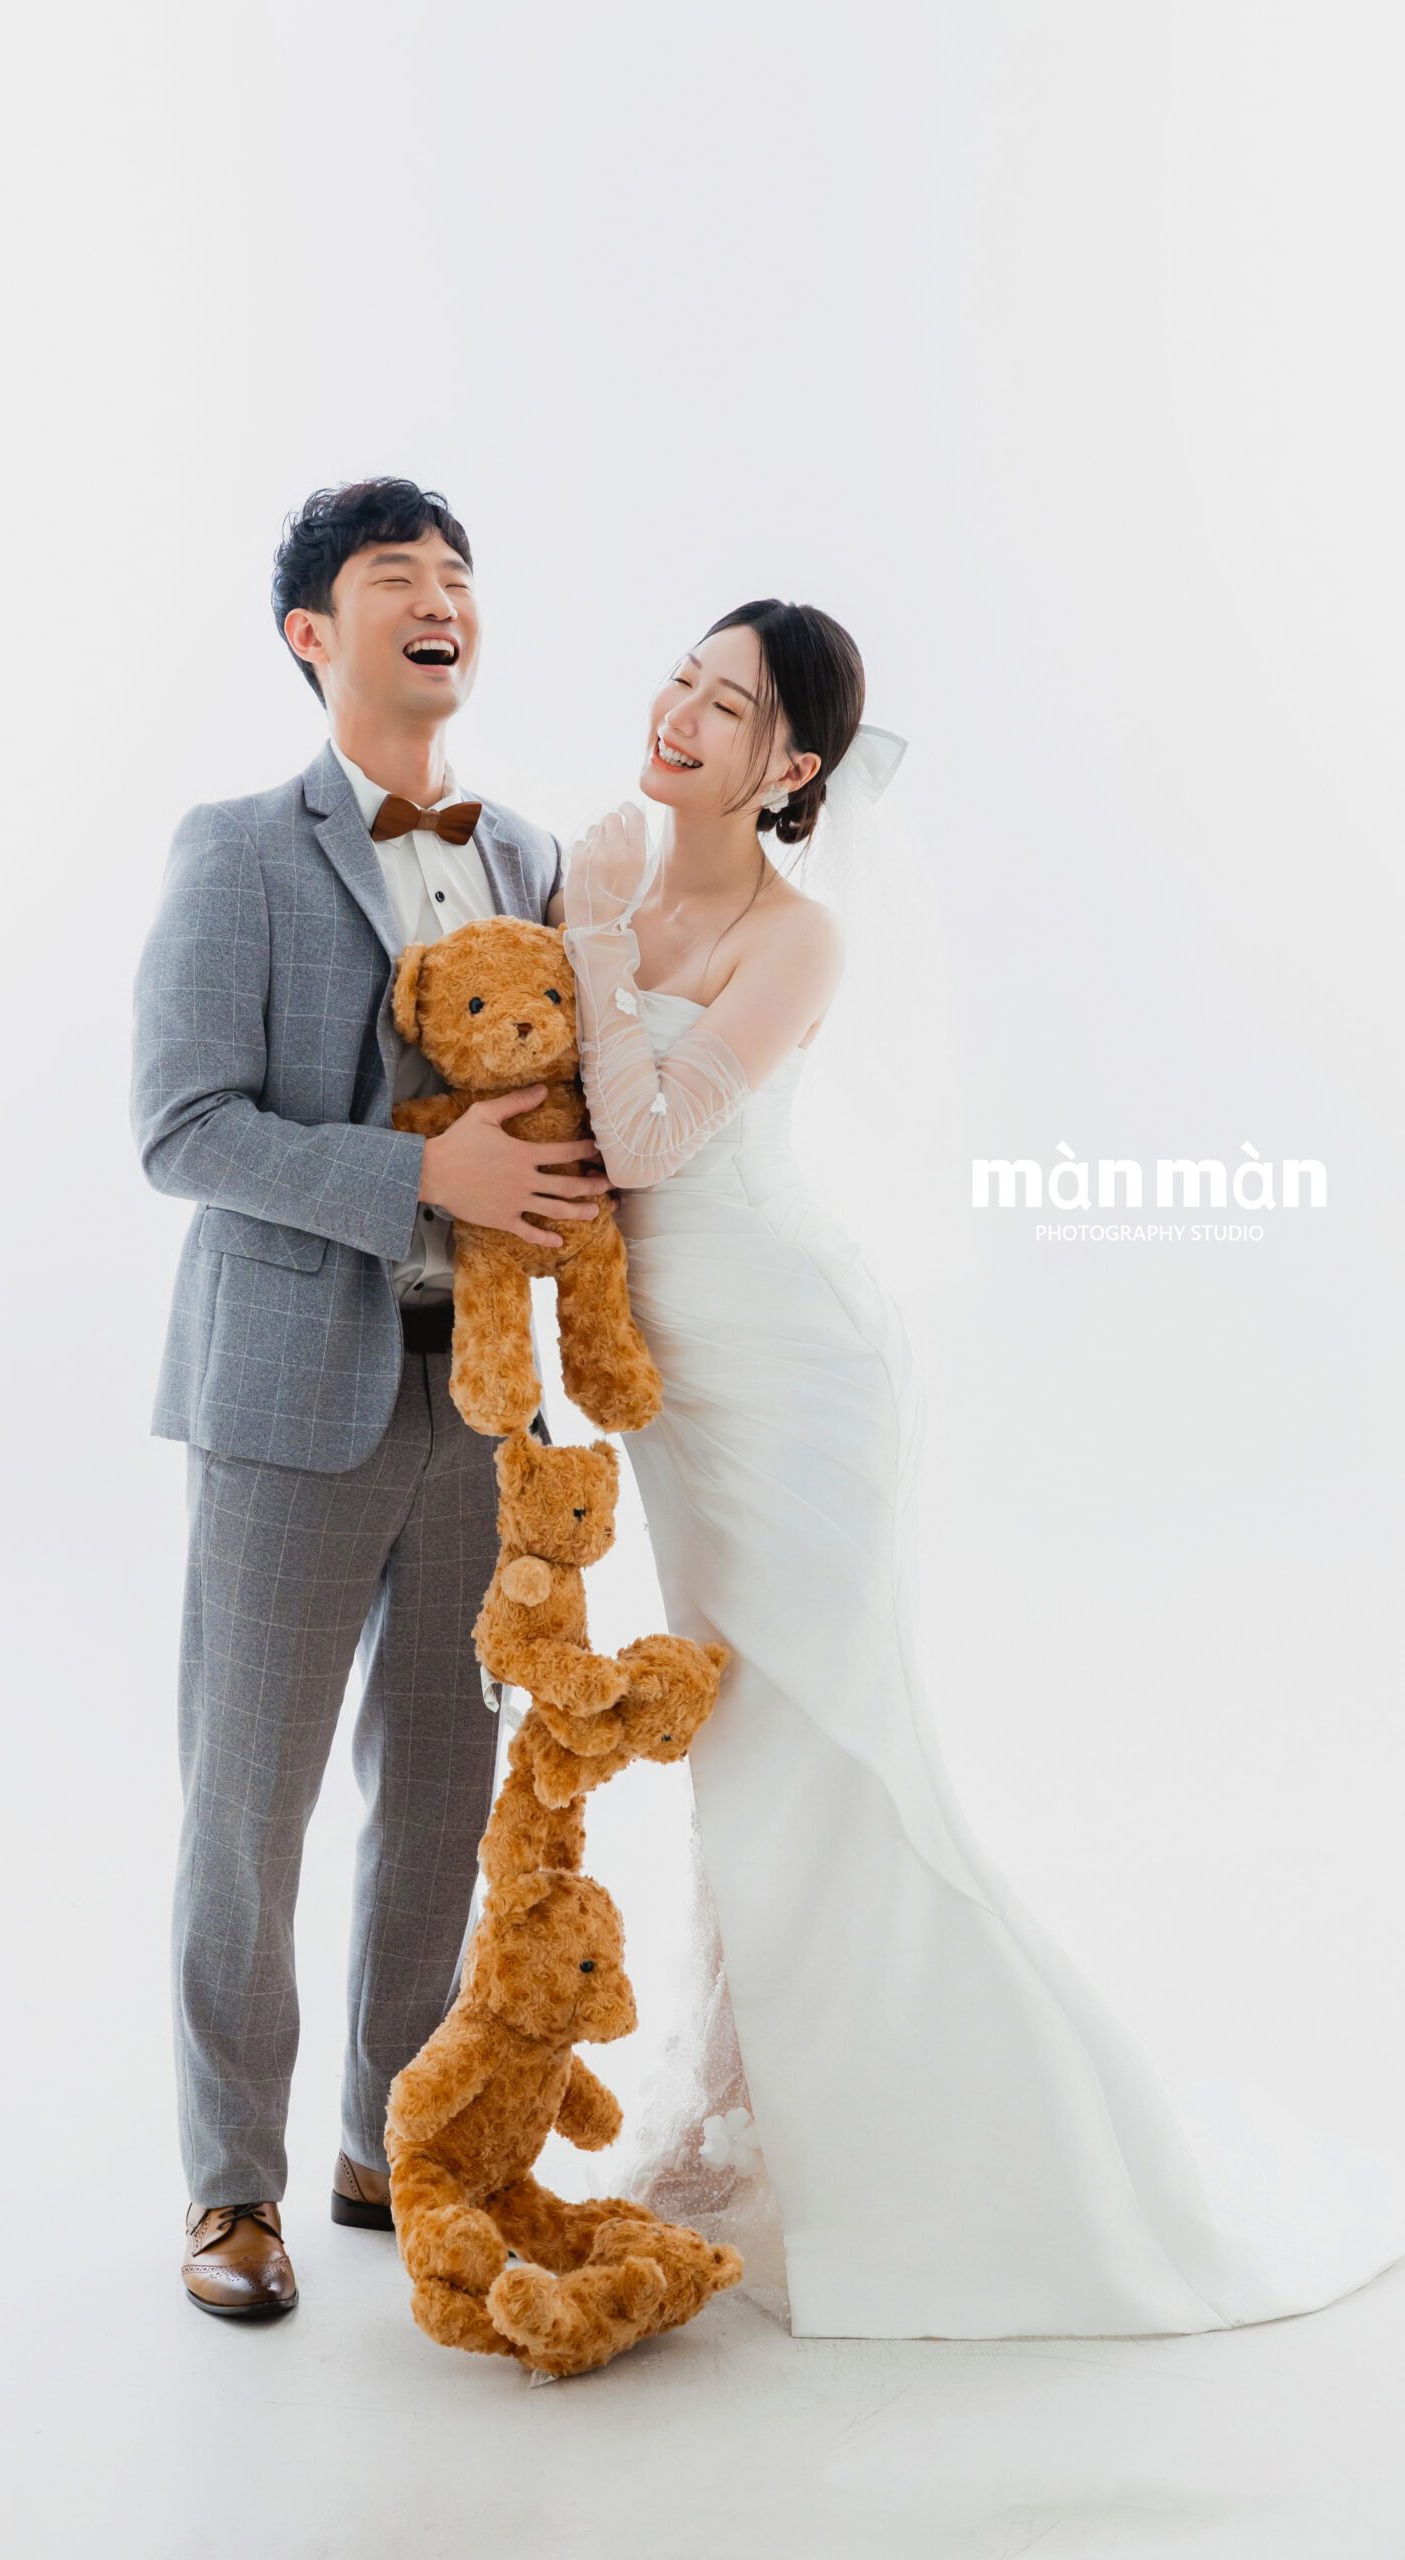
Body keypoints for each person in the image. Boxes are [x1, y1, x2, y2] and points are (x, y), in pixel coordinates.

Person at [550, 599, 1405, 2339]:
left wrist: (584, 938)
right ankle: (740, 2105)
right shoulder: (619, 881)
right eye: (682, 678)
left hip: (794, 1377)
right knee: (729, 1738)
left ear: (790, 767)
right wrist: (592, 932)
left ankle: (943, 2145)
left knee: (823, 1742)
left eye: (729, 706)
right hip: (670, 1396)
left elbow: (642, 1136)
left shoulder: (797, 936)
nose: (681, 714)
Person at [130, 478, 608, 2319]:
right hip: (284, 1401)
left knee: (443, 1798)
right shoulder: (239, 849)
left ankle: (384, 2144)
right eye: (397, 575)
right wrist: (420, 1176)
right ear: (311, 634)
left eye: (459, 576)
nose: (440, 599)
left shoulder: (535, 858)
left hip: (483, 1412)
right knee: (246, 1807)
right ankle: (227, 2189)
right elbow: (184, 1128)